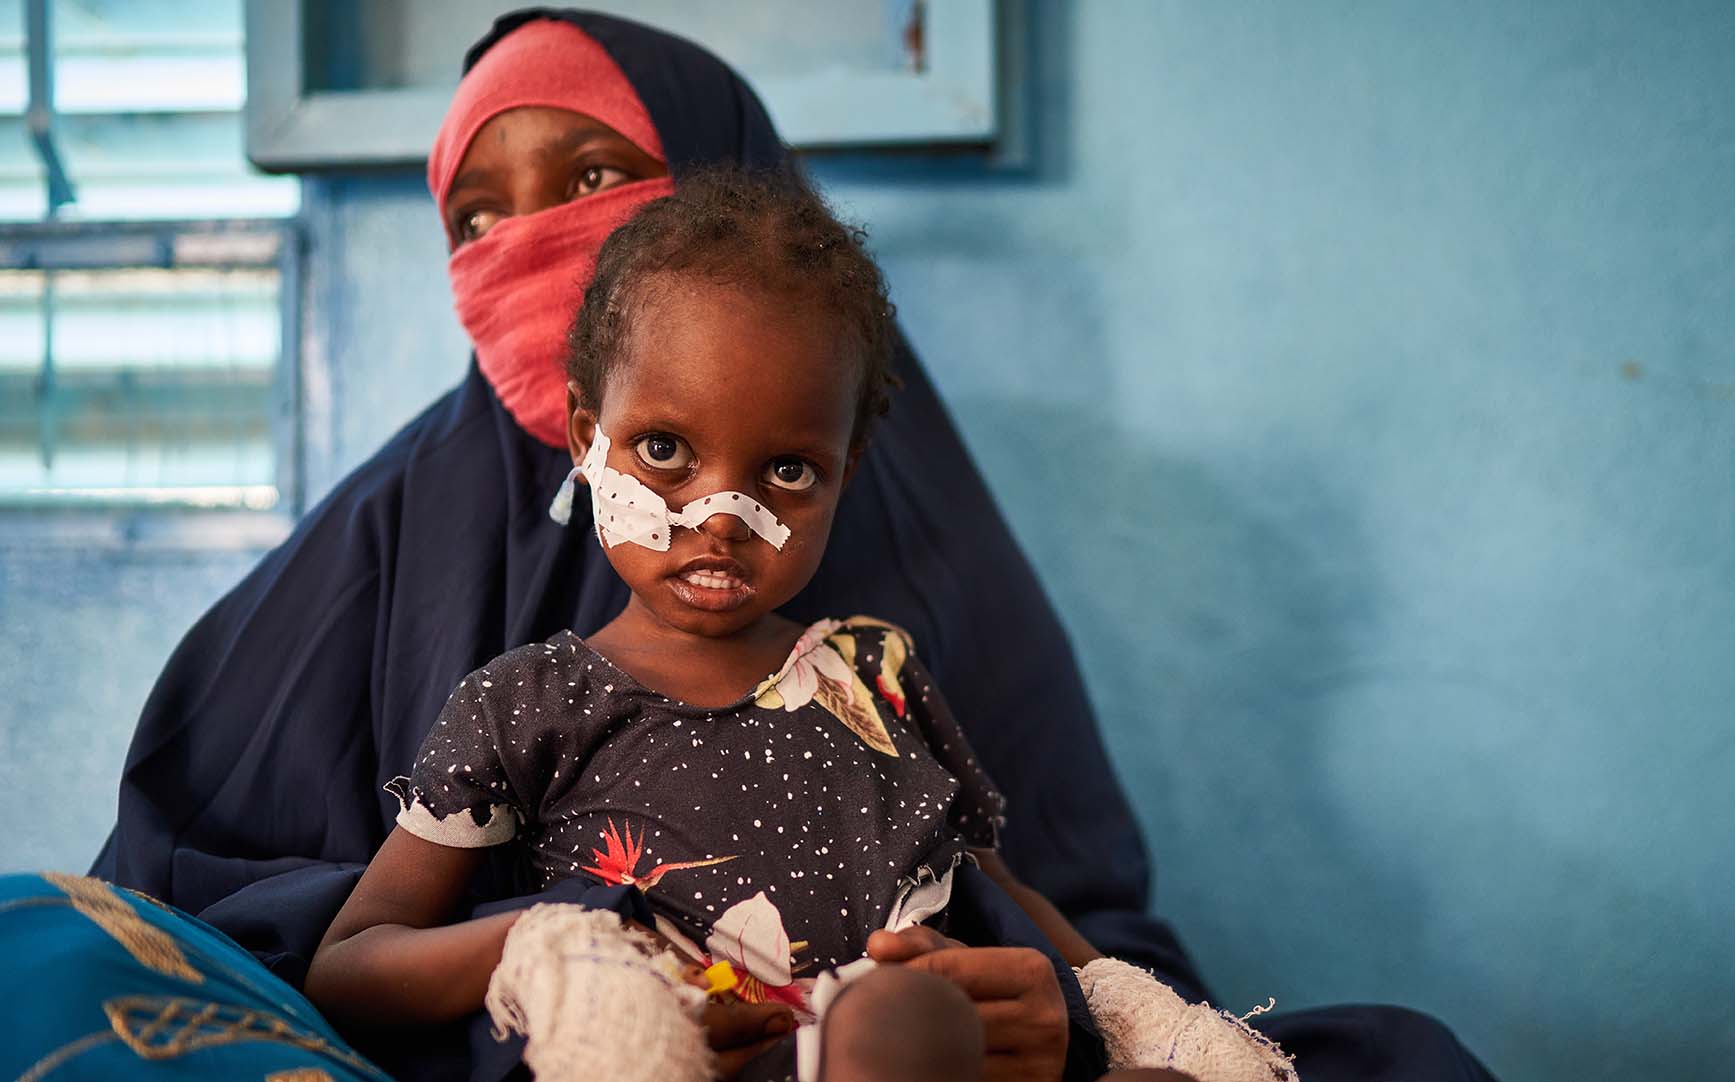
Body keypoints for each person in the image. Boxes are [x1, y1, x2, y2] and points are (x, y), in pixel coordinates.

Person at [91, 9, 1497, 1082]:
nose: (529, 244)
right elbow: (217, 904)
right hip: (557, 1030)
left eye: (591, 174)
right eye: (476, 213)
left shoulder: (876, 640)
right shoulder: (425, 565)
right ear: (591, 418)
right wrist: (554, 952)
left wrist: (1047, 1009)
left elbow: (1066, 924)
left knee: (1398, 1051)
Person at [307, 166, 1253, 1082]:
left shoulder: (872, 674)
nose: (721, 515)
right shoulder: (527, 703)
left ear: (848, 467)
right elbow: (348, 964)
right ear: (583, 437)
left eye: (789, 472)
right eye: (665, 450)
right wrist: (558, 939)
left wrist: (1128, 1021)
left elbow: (1000, 891)